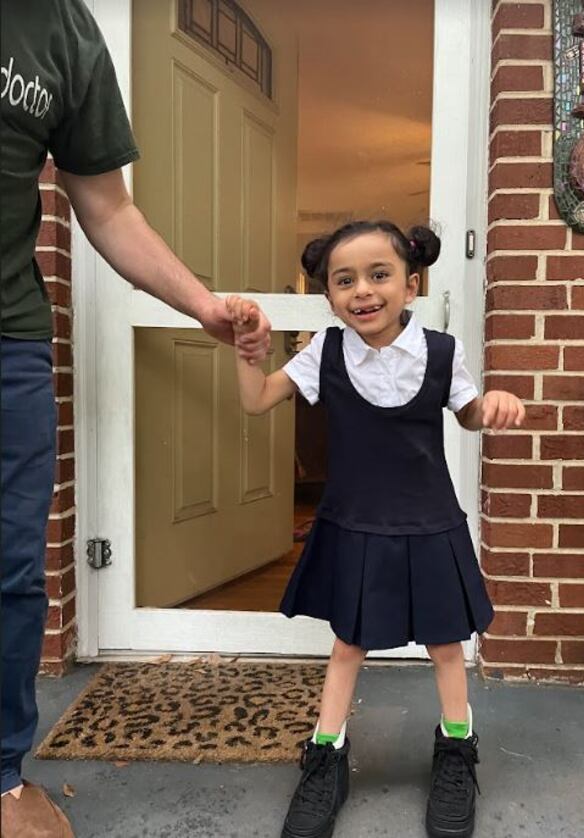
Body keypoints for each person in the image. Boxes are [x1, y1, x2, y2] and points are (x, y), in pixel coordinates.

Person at [0, 1, 269, 835]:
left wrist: (204, 307)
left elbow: (110, 209)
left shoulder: (61, 27)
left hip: (6, 345)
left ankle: (3, 779)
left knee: (10, 575)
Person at [226, 220, 526, 838]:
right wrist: (246, 354)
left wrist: (490, 406)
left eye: (378, 274)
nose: (361, 290)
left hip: (429, 523)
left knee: (446, 644)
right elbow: (257, 400)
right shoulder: (324, 353)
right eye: (344, 281)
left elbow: (468, 413)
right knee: (349, 644)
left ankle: (456, 749)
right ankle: (325, 757)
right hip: (357, 523)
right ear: (330, 297)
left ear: (411, 286)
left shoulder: (441, 351)